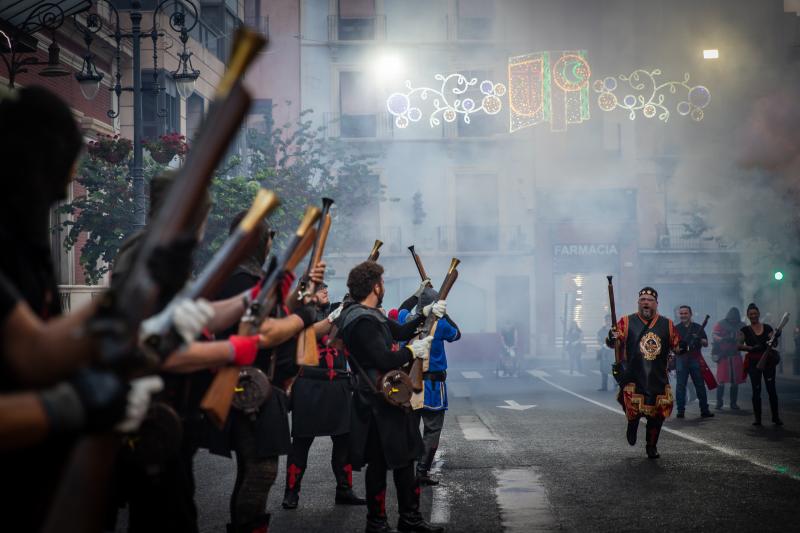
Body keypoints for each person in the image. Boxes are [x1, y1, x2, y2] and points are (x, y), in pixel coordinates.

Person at [0, 86, 162, 532]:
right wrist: (68, 404)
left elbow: (37, 342)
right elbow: (33, 351)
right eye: (56, 175)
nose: (62, 190)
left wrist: (122, 299)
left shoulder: (21, 244)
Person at [337, 261, 445, 533]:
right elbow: (383, 358)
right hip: (378, 402)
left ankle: (405, 520)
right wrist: (412, 352)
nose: (383, 286)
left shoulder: (369, 315)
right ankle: (382, 522)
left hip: (384, 399)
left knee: (400, 460)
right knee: (384, 463)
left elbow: (400, 331)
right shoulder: (361, 320)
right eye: (382, 282)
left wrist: (425, 313)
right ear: (375, 286)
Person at [282, 282, 366, 510]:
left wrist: (352, 304)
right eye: (319, 288)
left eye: (325, 287)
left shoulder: (338, 309)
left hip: (338, 384)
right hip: (309, 385)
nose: (325, 290)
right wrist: (335, 316)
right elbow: (311, 331)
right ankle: (291, 492)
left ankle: (344, 490)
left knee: (343, 441)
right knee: (301, 443)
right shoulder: (300, 316)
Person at [606, 287, 683, 459]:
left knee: (657, 415)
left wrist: (683, 347)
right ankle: (632, 424)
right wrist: (611, 337)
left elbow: (677, 346)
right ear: (638, 303)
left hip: (657, 377)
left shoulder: (667, 324)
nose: (646, 303)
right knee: (633, 409)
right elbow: (612, 343)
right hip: (633, 375)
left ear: (656, 303)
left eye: (649, 300)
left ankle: (651, 446)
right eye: (643, 300)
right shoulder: (626, 322)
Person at [413, 288, 460, 487]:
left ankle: (406, 467)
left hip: (410, 385)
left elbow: (401, 312)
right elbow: (456, 334)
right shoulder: (440, 324)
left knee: (409, 427)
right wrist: (445, 314)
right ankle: (421, 471)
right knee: (432, 430)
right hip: (432, 385)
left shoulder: (407, 319)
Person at [737, 303, 782, 426]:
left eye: (755, 313)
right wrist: (751, 348)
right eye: (751, 314)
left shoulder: (767, 328)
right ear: (747, 315)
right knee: (756, 390)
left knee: (771, 390)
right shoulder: (744, 330)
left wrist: (776, 337)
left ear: (758, 314)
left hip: (767, 362)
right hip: (753, 363)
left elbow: (774, 343)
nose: (753, 316)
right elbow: (739, 345)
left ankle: (776, 417)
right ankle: (758, 419)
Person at [674, 306, 713, 419]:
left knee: (700, 385)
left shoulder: (697, 327)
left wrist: (699, 339)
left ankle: (704, 410)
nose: (683, 315)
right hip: (681, 359)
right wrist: (679, 349)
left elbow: (706, 343)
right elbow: (673, 346)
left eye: (685, 313)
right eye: (681, 313)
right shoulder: (676, 329)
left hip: (695, 358)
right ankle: (680, 411)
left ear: (690, 314)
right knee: (681, 386)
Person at [712, 307, 745, 410]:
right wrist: (723, 339)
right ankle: (719, 402)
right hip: (724, 356)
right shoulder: (721, 324)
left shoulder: (742, 326)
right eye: (731, 319)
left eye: (734, 319)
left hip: (735, 355)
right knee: (721, 380)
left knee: (735, 382)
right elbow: (714, 336)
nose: (733, 321)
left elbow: (744, 338)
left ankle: (733, 403)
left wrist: (738, 338)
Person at [596, 315, 614, 391]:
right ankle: (604, 386)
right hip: (604, 351)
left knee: (614, 369)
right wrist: (602, 345)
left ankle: (616, 385)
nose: (607, 322)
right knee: (603, 369)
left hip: (613, 352)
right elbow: (598, 339)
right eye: (606, 320)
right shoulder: (601, 330)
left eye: (609, 320)